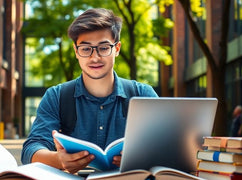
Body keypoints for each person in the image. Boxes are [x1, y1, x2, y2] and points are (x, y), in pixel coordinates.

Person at [21, 8, 158, 174]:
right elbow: (31, 149)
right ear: (76, 51)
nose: (95, 58)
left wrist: (142, 158)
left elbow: (165, 145)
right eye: (86, 49)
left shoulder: (142, 95)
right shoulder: (56, 96)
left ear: (117, 49)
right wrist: (59, 160)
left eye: (103, 47)